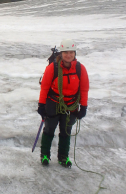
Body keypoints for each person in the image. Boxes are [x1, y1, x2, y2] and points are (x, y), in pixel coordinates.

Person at [37, 39, 89, 168]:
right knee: (49, 129)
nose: (68, 55)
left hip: (71, 105)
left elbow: (84, 89)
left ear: (74, 53)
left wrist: (83, 106)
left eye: (71, 52)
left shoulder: (80, 69)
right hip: (53, 103)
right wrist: (41, 105)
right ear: (61, 53)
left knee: (66, 131)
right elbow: (44, 87)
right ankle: (45, 155)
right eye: (66, 52)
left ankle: (63, 157)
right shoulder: (52, 68)